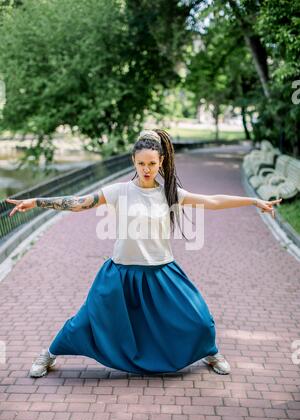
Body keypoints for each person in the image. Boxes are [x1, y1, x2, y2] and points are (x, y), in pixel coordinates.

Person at [6, 129, 282, 378]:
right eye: (141, 164)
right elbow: (80, 203)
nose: (147, 169)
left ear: (161, 162)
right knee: (87, 319)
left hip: (161, 271)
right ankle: (49, 355)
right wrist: (37, 201)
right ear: (134, 163)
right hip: (121, 272)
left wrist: (254, 200)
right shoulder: (118, 191)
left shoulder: (170, 193)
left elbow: (212, 201)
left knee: (198, 318)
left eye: (152, 163)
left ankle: (210, 352)